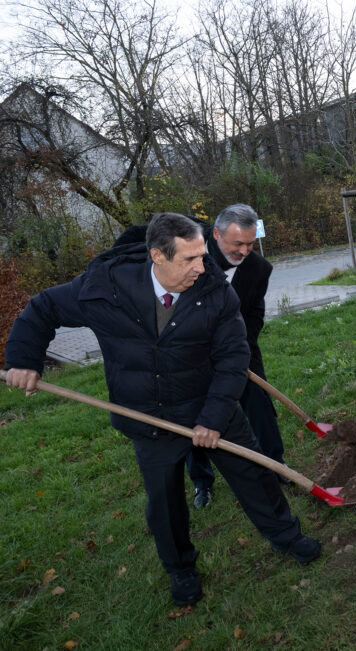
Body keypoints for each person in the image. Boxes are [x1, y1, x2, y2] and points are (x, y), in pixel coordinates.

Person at [3, 213, 320, 608]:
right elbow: (42, 308)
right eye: (189, 259)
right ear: (157, 255)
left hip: (208, 403)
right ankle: (181, 569)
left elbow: (234, 358)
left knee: (254, 475)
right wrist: (22, 359)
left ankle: (286, 537)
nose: (201, 267)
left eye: (202, 256)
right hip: (148, 416)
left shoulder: (214, 291)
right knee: (165, 503)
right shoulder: (108, 288)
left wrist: (212, 419)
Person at [186, 204, 287, 510]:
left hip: (238, 343)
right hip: (190, 349)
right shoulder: (189, 250)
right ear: (216, 235)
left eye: (250, 244)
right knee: (195, 415)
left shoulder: (258, 269)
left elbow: (254, 313)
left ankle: (275, 464)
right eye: (237, 244)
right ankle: (202, 482)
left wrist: (238, 349)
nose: (244, 251)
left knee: (258, 401)